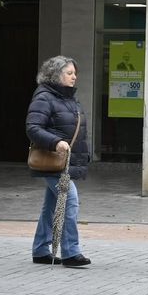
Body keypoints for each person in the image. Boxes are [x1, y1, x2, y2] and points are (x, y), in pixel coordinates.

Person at [26, 55, 92, 268]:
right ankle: (71, 252)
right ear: (56, 75)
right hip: (53, 160)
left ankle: (40, 250)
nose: (74, 77)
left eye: (75, 73)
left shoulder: (68, 97)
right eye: (69, 73)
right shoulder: (44, 97)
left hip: (64, 162)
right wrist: (56, 143)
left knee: (51, 207)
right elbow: (33, 128)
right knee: (70, 200)